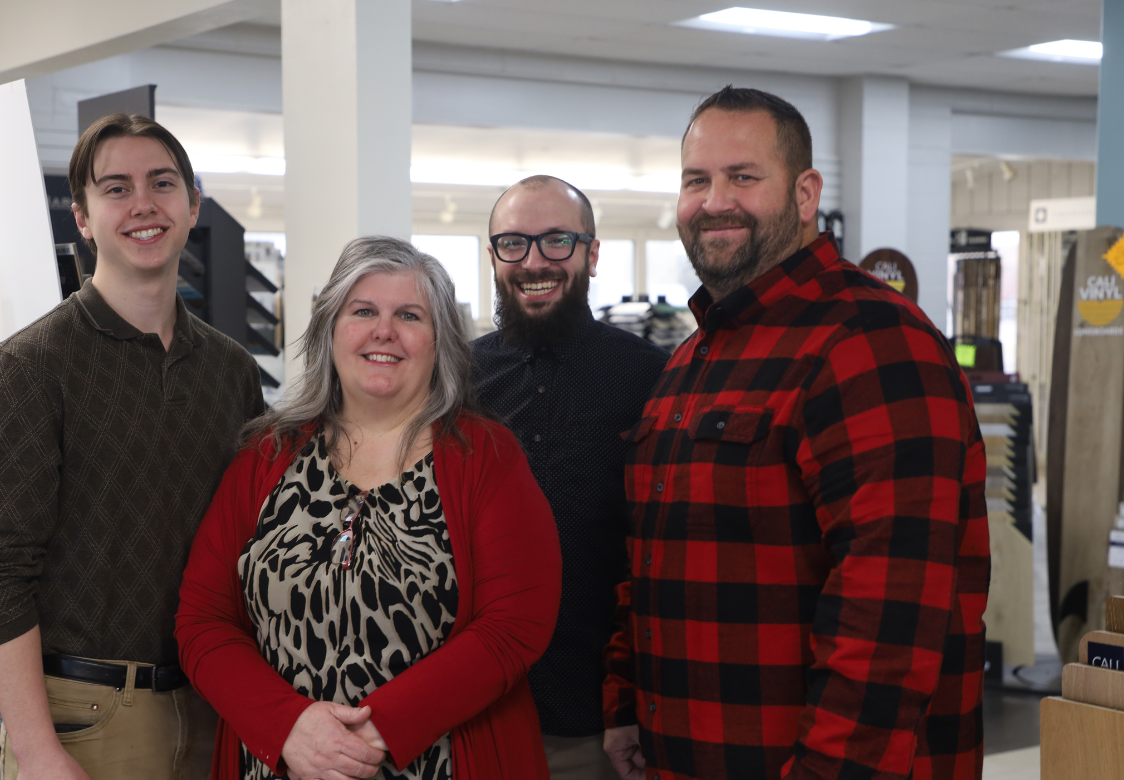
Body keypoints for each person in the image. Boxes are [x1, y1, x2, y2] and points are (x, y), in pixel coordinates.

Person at [602, 86, 990, 780]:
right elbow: (654, 561)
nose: (715, 200)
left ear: (805, 193)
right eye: (698, 180)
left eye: (743, 177)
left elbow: (890, 620)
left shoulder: (872, 342)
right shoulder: (693, 361)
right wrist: (628, 705)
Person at [175, 236, 563, 780]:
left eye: (409, 315)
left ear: (440, 342)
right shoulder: (266, 456)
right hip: (285, 762)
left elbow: (515, 625)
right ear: (332, 330)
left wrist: (379, 729)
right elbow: (202, 622)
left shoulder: (486, 456)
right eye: (363, 311)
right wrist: (288, 725)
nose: (384, 330)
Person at [0, 114, 265, 780]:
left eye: (161, 183)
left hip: (216, 705)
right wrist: (38, 750)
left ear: (192, 205)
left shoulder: (231, 370)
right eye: (116, 188)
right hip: (81, 722)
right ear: (85, 219)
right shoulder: (27, 368)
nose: (143, 204)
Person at [471, 175, 669, 779]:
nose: (534, 262)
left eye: (557, 240)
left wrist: (630, 703)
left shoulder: (652, 378)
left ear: (591, 252)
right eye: (513, 243)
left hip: (601, 724)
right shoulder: (459, 379)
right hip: (476, 712)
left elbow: (657, 558)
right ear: (494, 256)